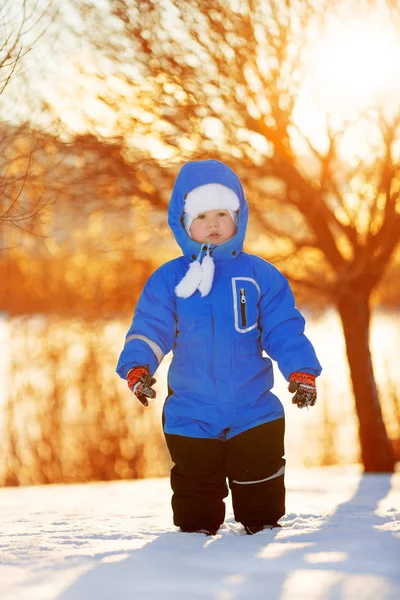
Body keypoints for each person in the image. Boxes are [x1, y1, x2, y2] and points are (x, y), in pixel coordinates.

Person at [116, 159, 322, 536]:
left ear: (238, 218)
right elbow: (150, 328)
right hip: (191, 415)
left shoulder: (260, 276)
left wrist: (301, 370)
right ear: (183, 222)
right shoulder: (170, 280)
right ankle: (195, 579)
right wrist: (138, 367)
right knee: (195, 519)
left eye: (222, 213)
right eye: (202, 214)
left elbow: (284, 330)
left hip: (254, 411)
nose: (213, 223)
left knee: (262, 514)